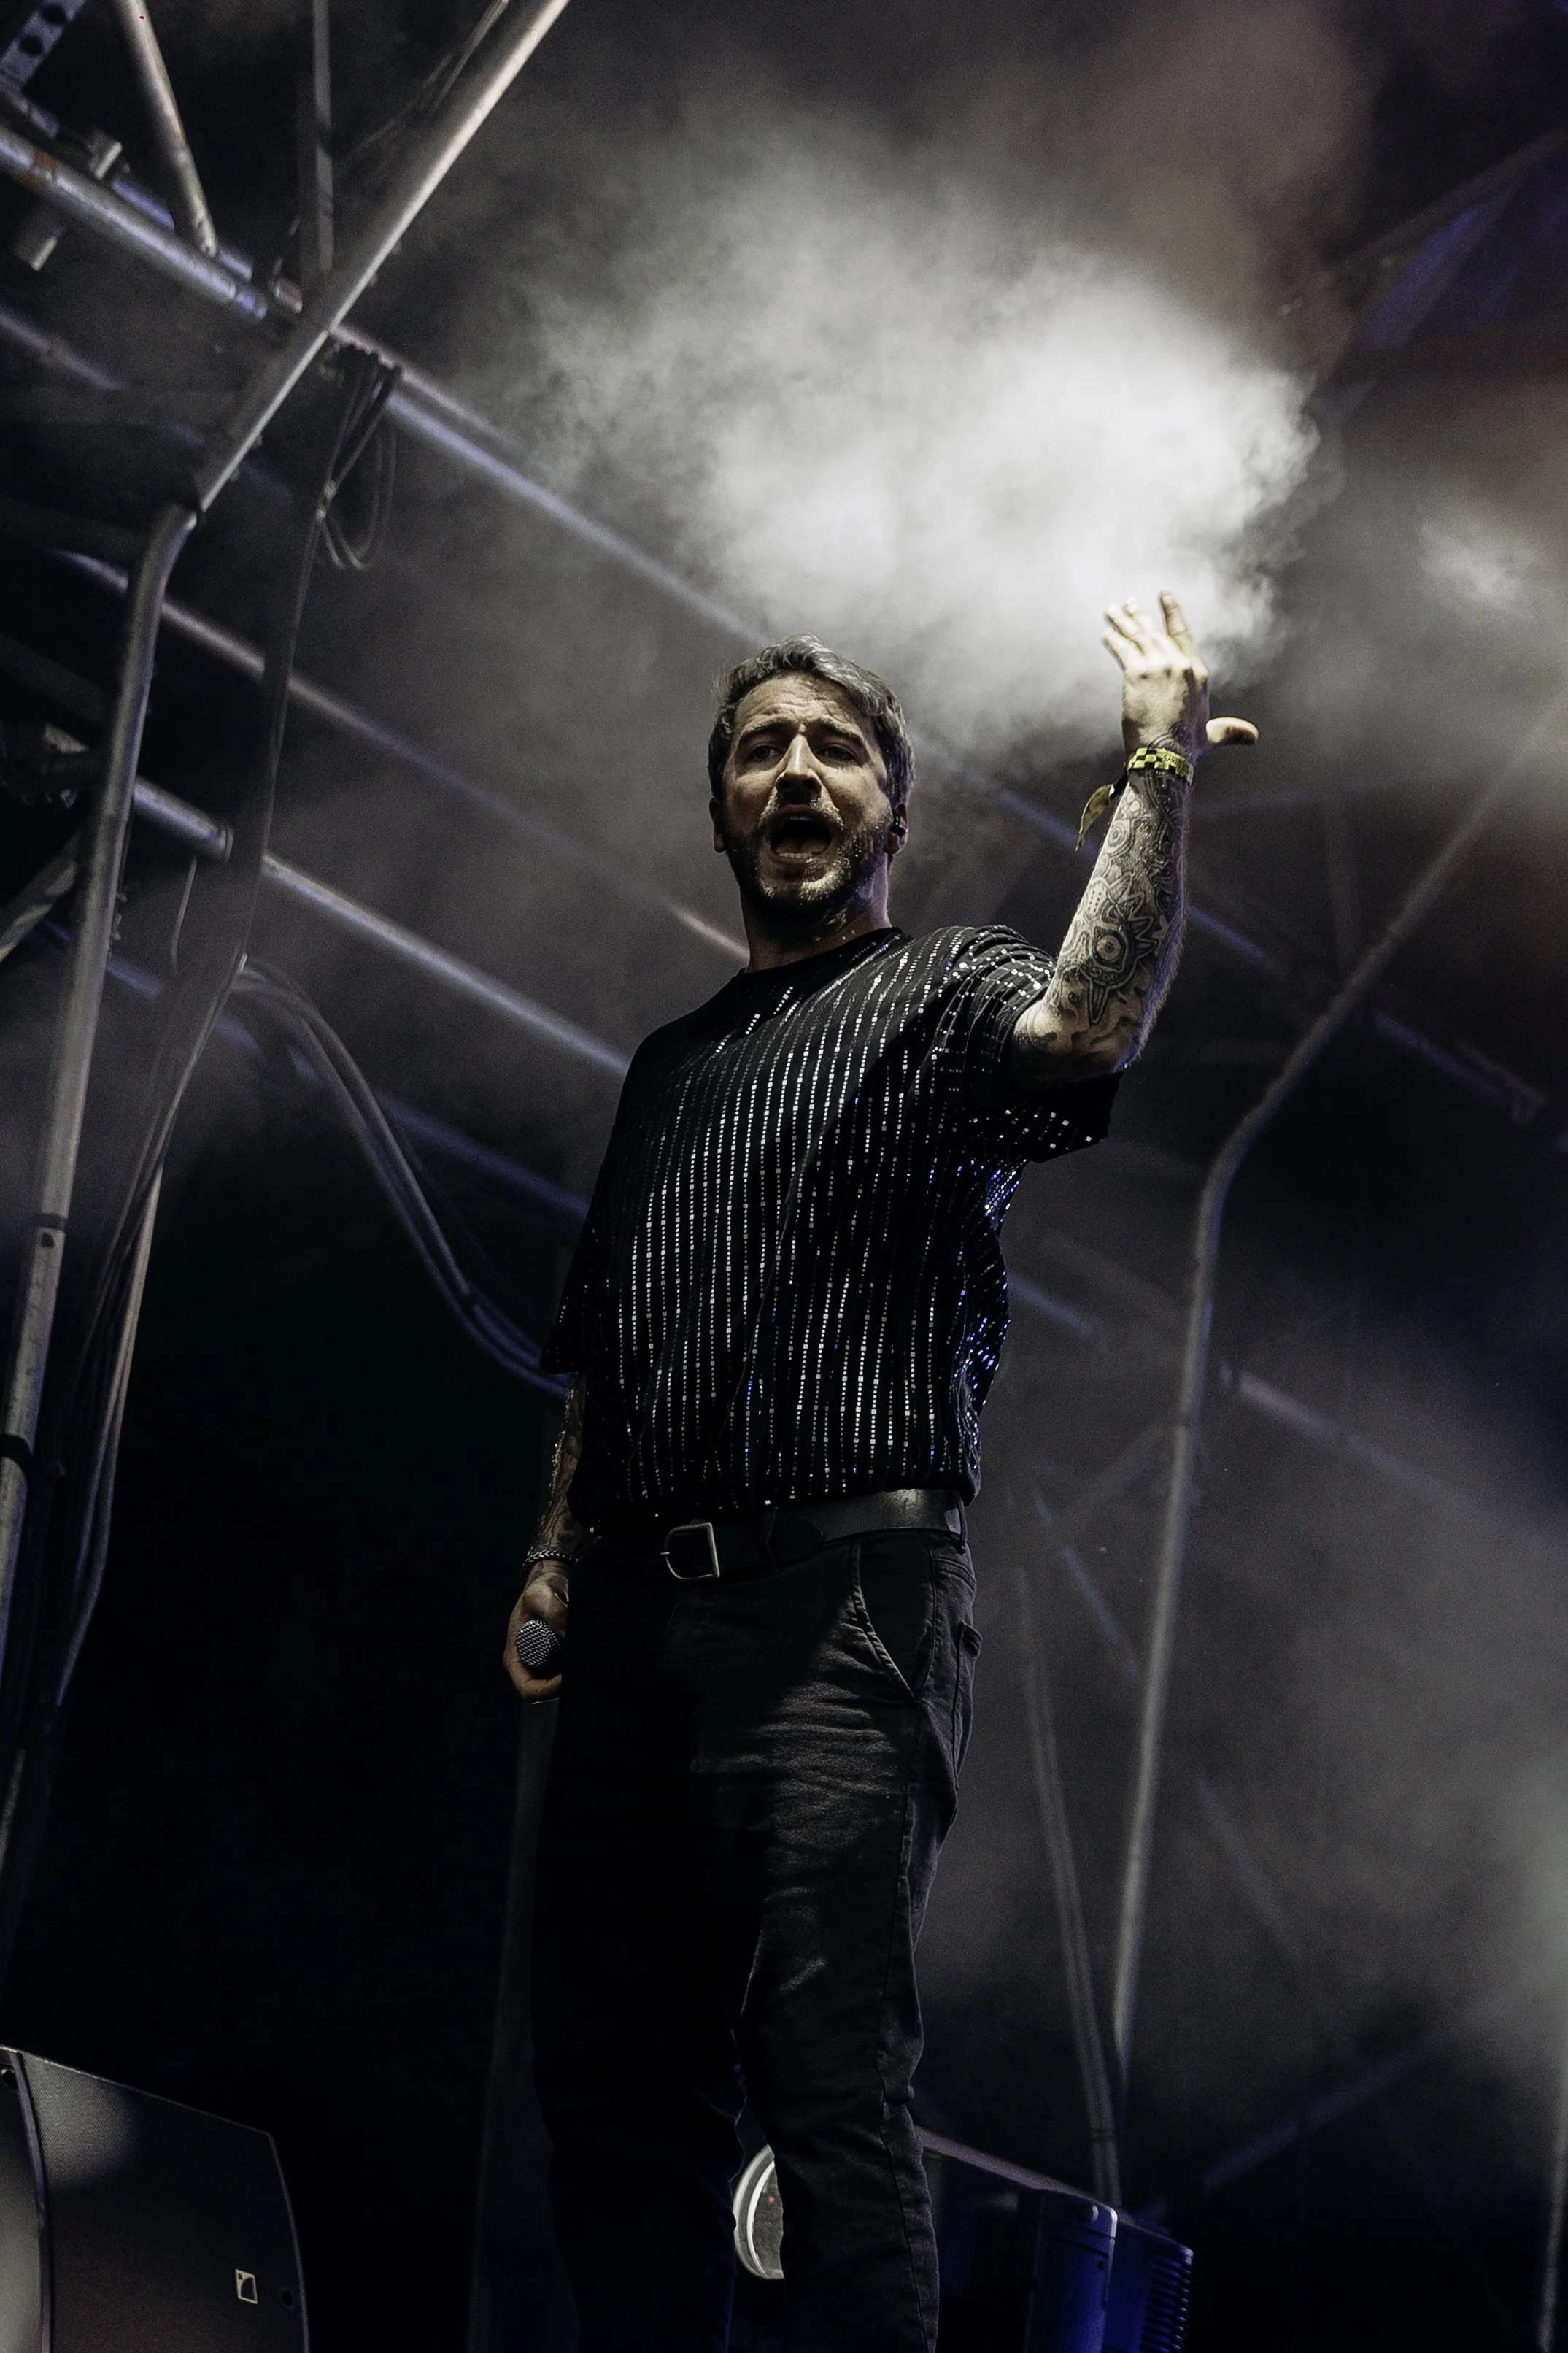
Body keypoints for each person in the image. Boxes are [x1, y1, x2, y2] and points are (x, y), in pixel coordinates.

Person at [503, 596, 1255, 2352]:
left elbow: (1091, 1027)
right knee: (614, 2099)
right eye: (760, 750)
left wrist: (1151, 759)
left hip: (840, 1600)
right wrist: (552, 1557)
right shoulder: (666, 1067)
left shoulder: (942, 983)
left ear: (889, 812)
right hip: (635, 1618)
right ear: (720, 812)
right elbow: (598, 1339)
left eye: (835, 750)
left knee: (830, 2090)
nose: (796, 775)